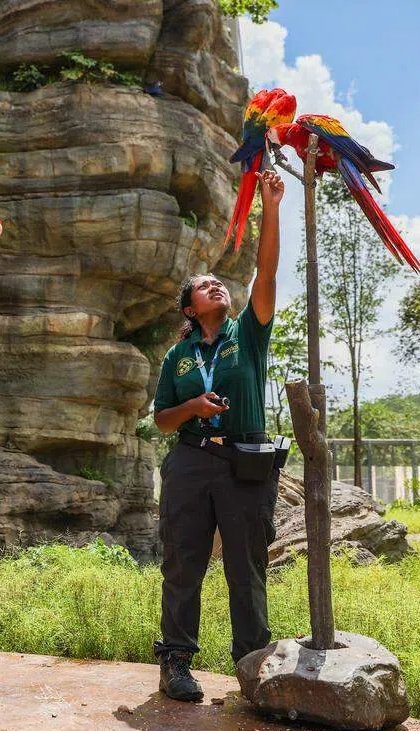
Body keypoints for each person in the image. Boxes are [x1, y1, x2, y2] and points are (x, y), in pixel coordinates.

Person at [151, 169, 284, 701]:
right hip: (188, 462)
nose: (217, 286)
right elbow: (161, 420)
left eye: (220, 283)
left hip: (244, 460)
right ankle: (177, 664)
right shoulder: (177, 357)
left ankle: (252, 667)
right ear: (190, 309)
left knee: (246, 565)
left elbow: (266, 276)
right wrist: (189, 405)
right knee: (182, 562)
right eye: (205, 286)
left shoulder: (247, 334)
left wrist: (270, 208)